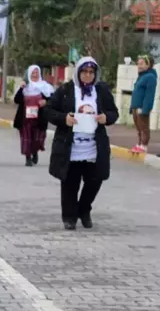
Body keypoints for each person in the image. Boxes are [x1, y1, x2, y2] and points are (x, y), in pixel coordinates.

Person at [43, 56, 118, 231]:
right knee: (70, 182)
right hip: (71, 146)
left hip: (93, 146)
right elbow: (48, 110)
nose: (87, 75)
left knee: (95, 180)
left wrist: (106, 118)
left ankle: (84, 209)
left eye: (91, 72)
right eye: (84, 71)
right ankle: (69, 216)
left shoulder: (101, 91)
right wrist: (64, 118)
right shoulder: (66, 90)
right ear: (78, 72)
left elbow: (113, 112)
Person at [13, 65, 54, 166]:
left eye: (36, 72)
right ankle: (28, 158)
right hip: (25, 116)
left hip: (39, 116)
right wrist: (21, 88)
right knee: (26, 137)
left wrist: (46, 102)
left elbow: (52, 100)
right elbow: (17, 100)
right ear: (29, 74)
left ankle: (35, 152)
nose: (35, 75)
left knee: (38, 137)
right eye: (33, 73)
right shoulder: (24, 86)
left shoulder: (45, 86)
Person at [130, 54, 157, 153]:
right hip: (136, 107)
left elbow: (149, 95)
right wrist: (132, 107)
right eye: (138, 64)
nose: (139, 66)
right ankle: (140, 143)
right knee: (138, 128)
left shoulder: (150, 77)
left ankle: (144, 145)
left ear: (148, 65)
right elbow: (136, 92)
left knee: (144, 127)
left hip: (142, 108)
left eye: (141, 64)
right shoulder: (141, 76)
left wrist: (145, 109)